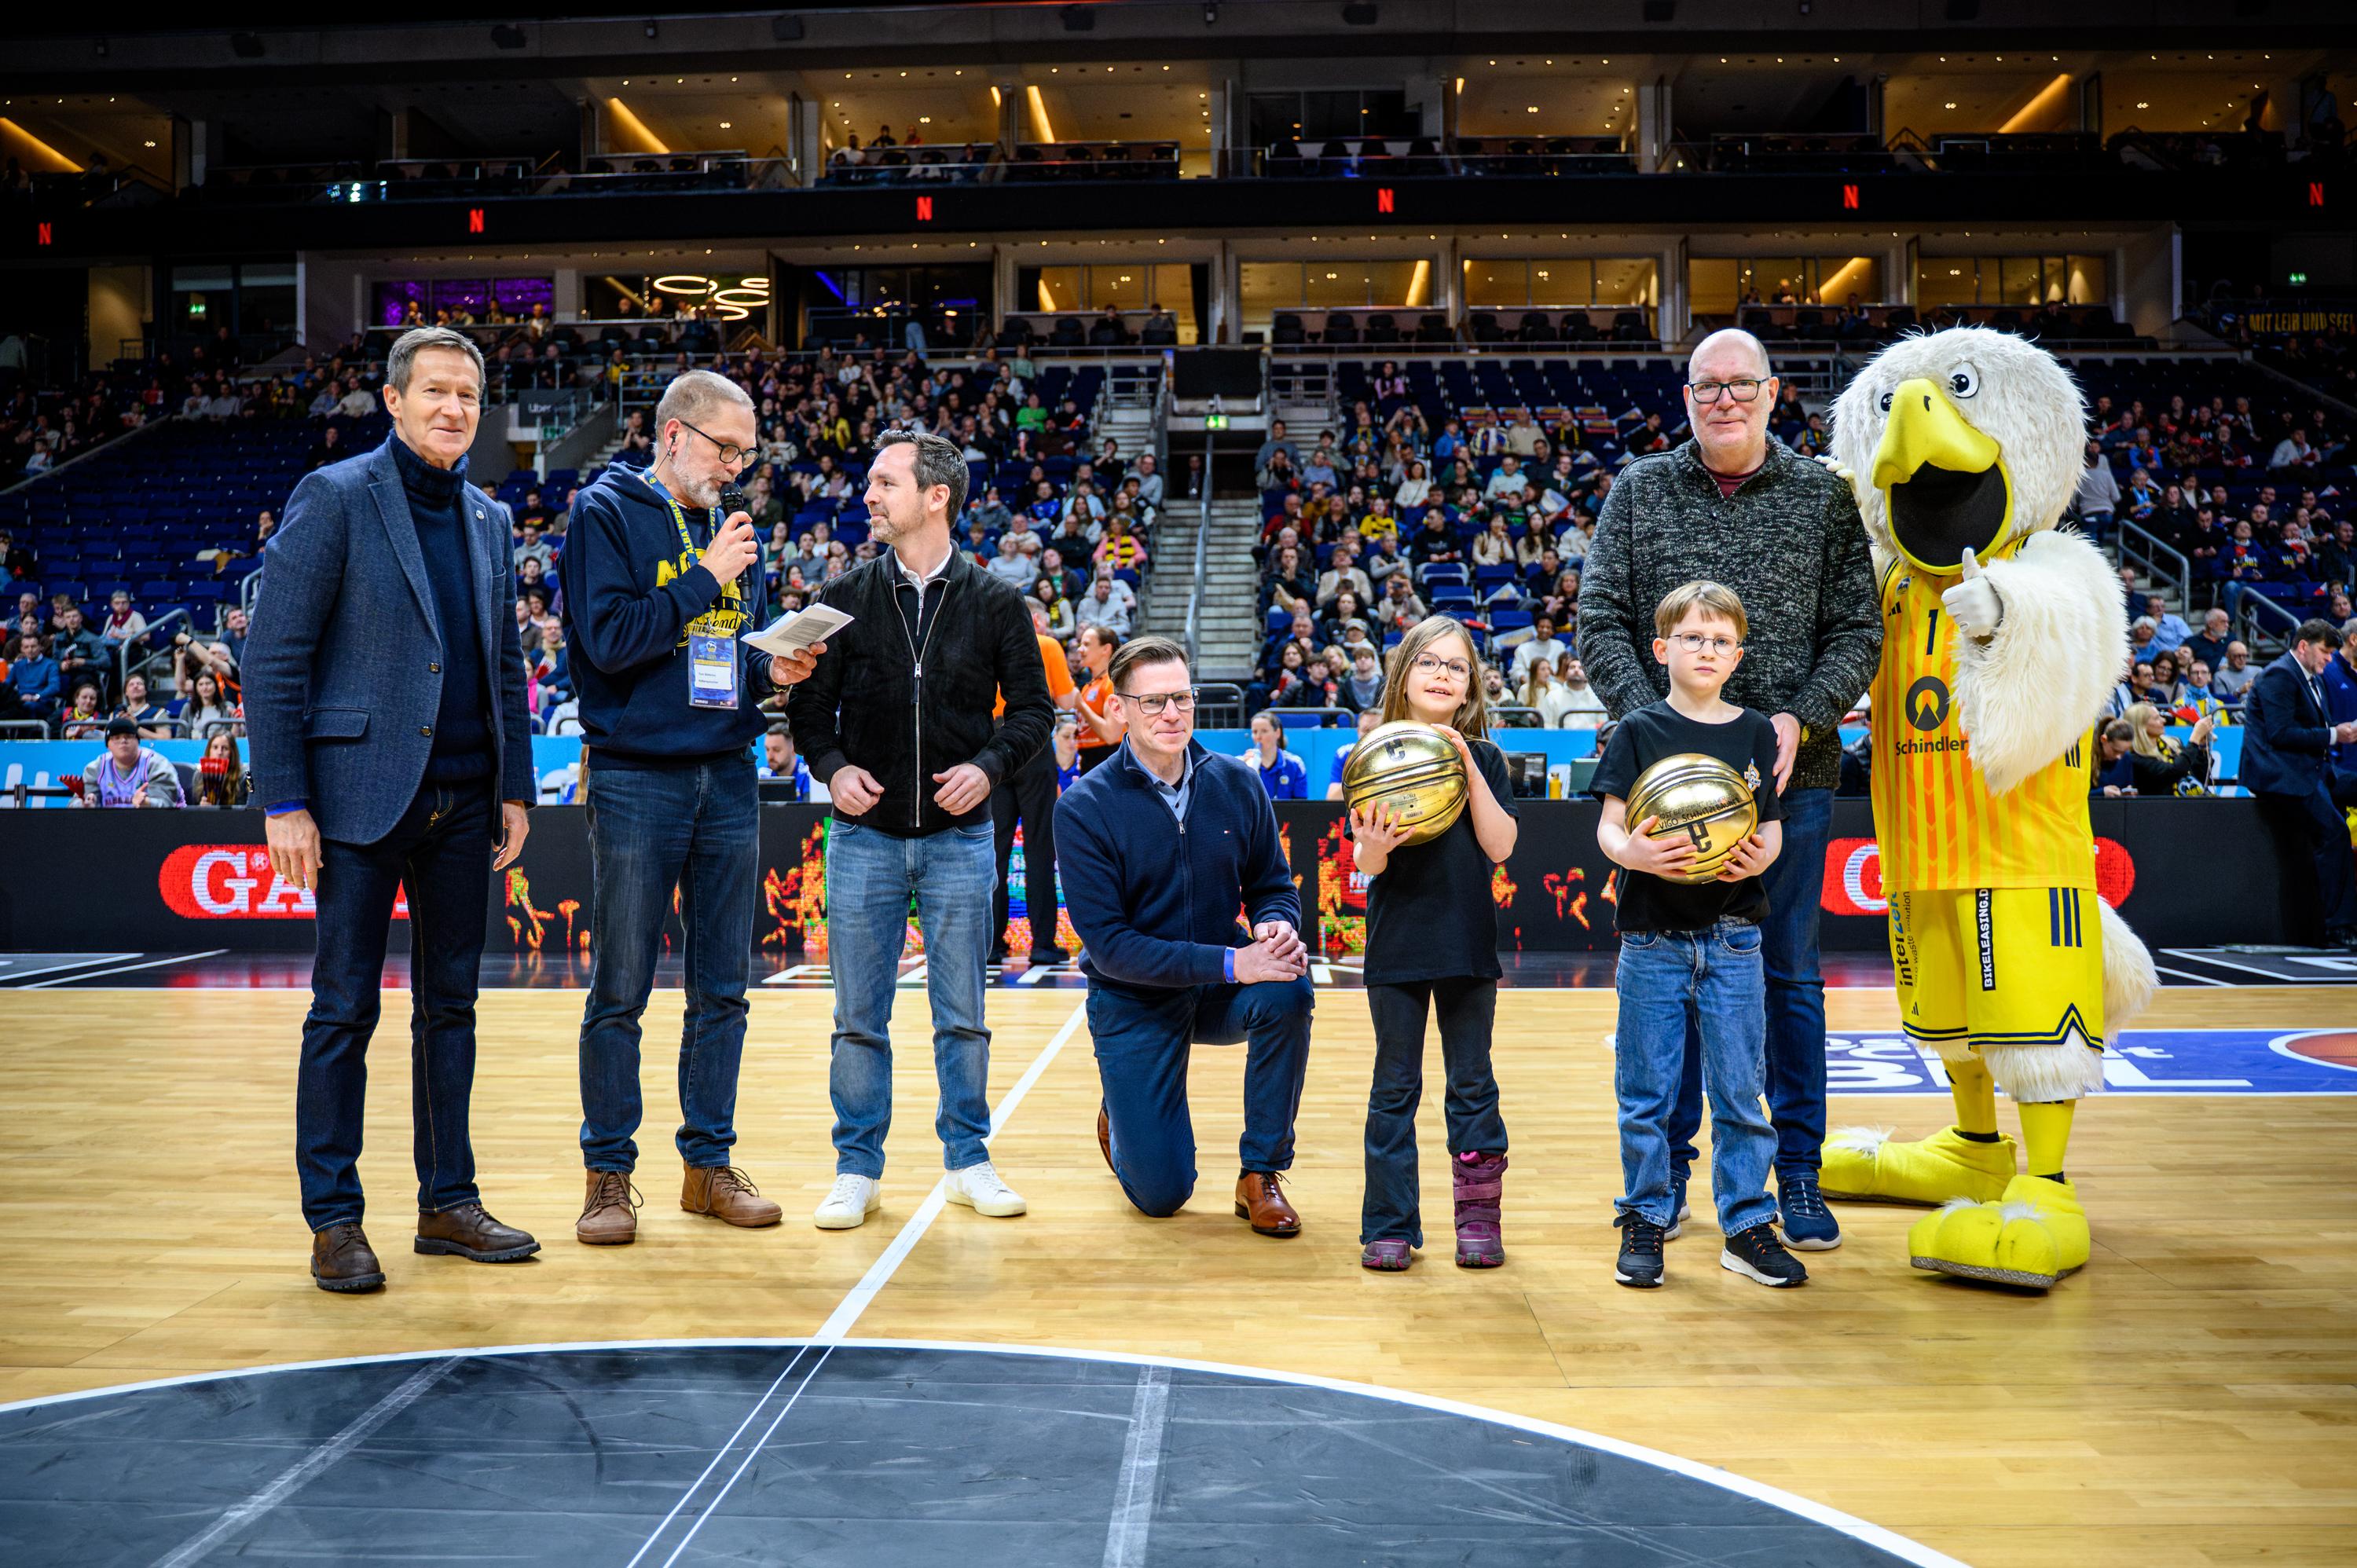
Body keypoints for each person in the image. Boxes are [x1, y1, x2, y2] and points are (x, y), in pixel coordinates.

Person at [243, 326, 541, 1293]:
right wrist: (284, 797)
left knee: (450, 1007)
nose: (455, 408)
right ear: (394, 399)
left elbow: (504, 664)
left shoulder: (490, 519)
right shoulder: (334, 496)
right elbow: (274, 655)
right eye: (437, 392)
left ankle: (446, 1201)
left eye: (469, 394)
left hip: (465, 801)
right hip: (355, 800)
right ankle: (334, 1219)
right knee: (343, 1010)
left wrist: (516, 786)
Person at [1576, 327, 1879, 1251]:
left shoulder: (1826, 496)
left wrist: (1801, 716)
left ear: (1772, 391)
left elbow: (1859, 632)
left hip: (1793, 781)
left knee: (1784, 977)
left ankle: (1795, 1176)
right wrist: (1662, 740)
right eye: (1708, 387)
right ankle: (1664, 1179)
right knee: (1670, 981)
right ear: (1688, 398)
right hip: (1669, 798)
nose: (1725, 400)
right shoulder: (1640, 490)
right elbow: (1599, 621)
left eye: (1741, 384)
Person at [561, 368, 820, 1247]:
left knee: (724, 986)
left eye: (746, 453)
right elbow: (612, 641)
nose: (736, 467)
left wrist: (770, 668)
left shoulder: (727, 526)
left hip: (727, 771)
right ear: (673, 434)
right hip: (637, 776)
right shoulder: (603, 513)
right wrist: (704, 579)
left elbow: (722, 653)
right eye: (725, 448)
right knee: (622, 987)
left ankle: (707, 1166)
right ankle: (608, 1174)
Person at [787, 427, 1055, 1229]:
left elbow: (1037, 713)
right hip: (863, 837)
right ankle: (856, 1167)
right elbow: (805, 710)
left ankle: (968, 1158)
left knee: (962, 1014)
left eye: (884, 482)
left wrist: (989, 766)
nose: (869, 495)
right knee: (858, 1017)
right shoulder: (840, 597)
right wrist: (833, 768)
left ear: (935, 496)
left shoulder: (1000, 602)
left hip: (961, 837)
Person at [1055, 635, 1314, 1235]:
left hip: (1217, 990)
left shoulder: (1238, 784)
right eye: (1152, 703)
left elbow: (1274, 883)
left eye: (1181, 698)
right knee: (1161, 1196)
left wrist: (1276, 921)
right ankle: (1122, 1117)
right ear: (1119, 710)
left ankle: (1261, 1174)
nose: (1171, 714)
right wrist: (1233, 962)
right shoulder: (1084, 809)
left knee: (1287, 988)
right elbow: (1111, 947)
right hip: (1133, 997)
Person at [1591, 581, 1803, 1290]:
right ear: (1662, 649)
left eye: (1720, 641)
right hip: (1651, 937)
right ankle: (1647, 1216)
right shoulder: (1639, 730)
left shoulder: (1754, 734)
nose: (1706, 650)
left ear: (1738, 655)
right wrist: (1635, 855)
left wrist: (1763, 854)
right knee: (1646, 1090)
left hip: (1736, 936)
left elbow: (1769, 825)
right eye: (1692, 638)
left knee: (1741, 1090)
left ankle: (1746, 1225)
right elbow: (1610, 827)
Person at [1348, 617, 1520, 1272]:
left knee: (1473, 1084)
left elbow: (1501, 846)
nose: (1444, 674)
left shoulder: (1490, 757)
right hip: (1397, 947)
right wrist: (1376, 846)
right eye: (1429, 663)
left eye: (1456, 665)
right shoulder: (1376, 753)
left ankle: (1478, 1221)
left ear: (1471, 682)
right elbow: (1368, 863)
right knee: (1394, 1086)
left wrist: (1466, 760)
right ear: (1404, 676)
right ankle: (1388, 1224)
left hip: (1467, 943)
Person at [2239, 617, 2357, 946]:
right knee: (2334, 833)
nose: (2329, 660)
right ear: (2304, 646)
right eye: (2325, 652)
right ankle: (2339, 927)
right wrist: (2336, 734)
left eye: (2333, 654)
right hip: (2280, 774)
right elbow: (2280, 733)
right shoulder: (2280, 674)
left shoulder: (2312, 678)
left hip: (2311, 770)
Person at [992, 599, 1081, 965]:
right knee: (1039, 846)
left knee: (994, 850)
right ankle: (1042, 944)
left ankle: (991, 946)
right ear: (1039, 621)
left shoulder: (991, 642)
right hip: (1032, 738)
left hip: (992, 742)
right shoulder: (1046, 645)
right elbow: (1064, 698)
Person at [79, 716, 184, 806]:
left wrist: (147, 803)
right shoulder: (95, 768)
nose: (123, 741)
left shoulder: (156, 765)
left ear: (138, 741)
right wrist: (85, 805)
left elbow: (168, 805)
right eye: (116, 737)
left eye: (128, 736)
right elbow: (76, 802)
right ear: (108, 745)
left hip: (154, 824)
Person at [1071, 621, 1126, 771]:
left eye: (1087, 644)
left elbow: (1111, 735)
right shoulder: (1089, 685)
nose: (1080, 649)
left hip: (1108, 758)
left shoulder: (1112, 683)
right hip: (1089, 758)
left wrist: (1080, 705)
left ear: (1106, 649)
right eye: (1081, 644)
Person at [1243, 709, 1309, 798]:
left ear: (1277, 733)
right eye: (1255, 732)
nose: (1258, 737)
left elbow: (1301, 806)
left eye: (1264, 731)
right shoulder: (1242, 764)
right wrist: (1246, 772)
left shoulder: (1295, 764)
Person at [759, 720, 812, 800]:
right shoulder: (762, 775)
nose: (770, 755)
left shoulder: (807, 774)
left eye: (776, 750)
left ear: (793, 749)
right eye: (767, 749)